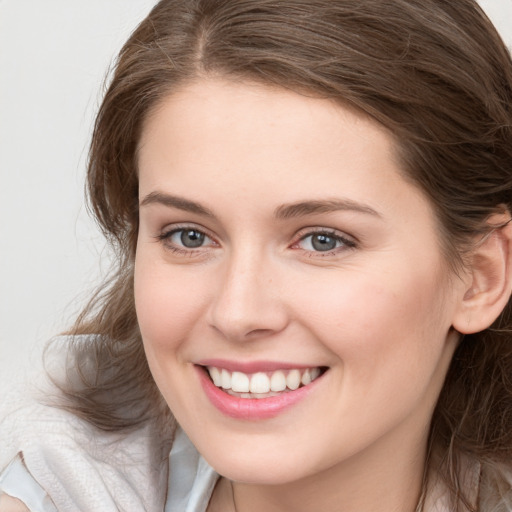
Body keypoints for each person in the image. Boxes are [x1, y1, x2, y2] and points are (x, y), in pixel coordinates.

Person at [2, 0, 512, 510]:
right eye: (189, 236)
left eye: (322, 240)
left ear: (480, 278)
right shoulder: (58, 485)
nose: (237, 313)